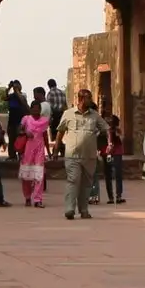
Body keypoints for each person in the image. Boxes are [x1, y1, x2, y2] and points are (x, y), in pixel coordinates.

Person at [52, 87, 104, 221]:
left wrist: (109, 144)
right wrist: (56, 150)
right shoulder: (68, 114)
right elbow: (60, 132)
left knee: (86, 184)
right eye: (88, 98)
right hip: (72, 155)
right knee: (73, 180)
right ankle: (69, 209)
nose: (91, 100)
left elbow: (106, 129)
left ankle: (84, 210)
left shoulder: (95, 115)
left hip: (89, 156)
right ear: (81, 99)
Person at [18, 100, 51, 207]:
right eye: (34, 108)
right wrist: (25, 132)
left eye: (38, 108)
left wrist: (49, 151)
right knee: (26, 175)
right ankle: (27, 197)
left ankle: (38, 199)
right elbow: (18, 130)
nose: (36, 110)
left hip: (39, 149)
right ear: (31, 109)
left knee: (39, 174)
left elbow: (45, 135)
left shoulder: (45, 121)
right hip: (28, 150)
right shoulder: (26, 119)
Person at [101, 115, 126, 204]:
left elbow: (120, 137)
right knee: (112, 174)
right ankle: (115, 196)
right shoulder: (105, 131)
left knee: (113, 174)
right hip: (109, 152)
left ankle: (115, 196)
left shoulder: (115, 131)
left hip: (112, 152)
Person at [5, 81, 28, 161]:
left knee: (20, 138)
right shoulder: (11, 96)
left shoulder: (23, 95)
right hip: (12, 120)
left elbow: (23, 101)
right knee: (11, 139)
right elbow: (5, 98)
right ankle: (12, 156)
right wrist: (8, 88)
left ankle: (21, 155)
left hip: (20, 121)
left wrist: (17, 91)